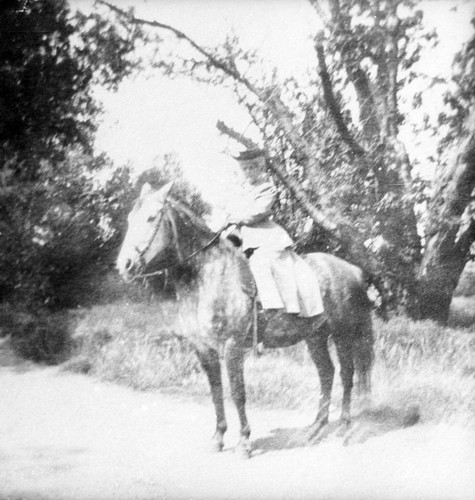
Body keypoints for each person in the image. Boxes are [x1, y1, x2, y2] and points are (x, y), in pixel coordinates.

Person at [224, 149, 326, 324]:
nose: (248, 172)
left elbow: (259, 212)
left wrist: (236, 217)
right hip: (243, 235)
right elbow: (231, 209)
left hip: (265, 235)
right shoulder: (241, 191)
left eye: (252, 168)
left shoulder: (267, 188)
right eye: (245, 169)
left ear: (259, 168)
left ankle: (274, 306)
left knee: (260, 262)